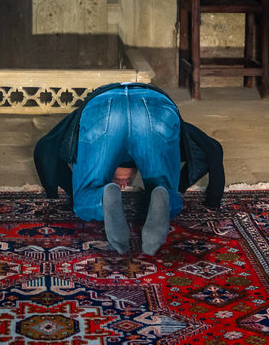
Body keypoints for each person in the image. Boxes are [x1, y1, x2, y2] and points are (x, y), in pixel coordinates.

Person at [33, 81, 224, 255]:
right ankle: (161, 192)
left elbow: (46, 148)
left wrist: (66, 189)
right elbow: (211, 149)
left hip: (101, 107)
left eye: (117, 183)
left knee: (83, 199)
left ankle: (102, 196)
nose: (123, 186)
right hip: (156, 106)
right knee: (164, 187)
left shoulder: (77, 129)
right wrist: (208, 196)